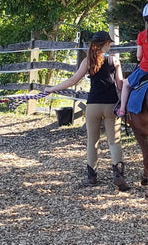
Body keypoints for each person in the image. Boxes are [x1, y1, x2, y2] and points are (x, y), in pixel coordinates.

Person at [46, 30, 130, 191]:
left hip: (92, 106)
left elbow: (73, 80)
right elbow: (120, 85)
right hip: (111, 105)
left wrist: (52, 89)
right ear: (106, 43)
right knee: (114, 141)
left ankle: (91, 177)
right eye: (109, 43)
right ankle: (118, 174)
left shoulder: (88, 61)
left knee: (93, 141)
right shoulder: (114, 60)